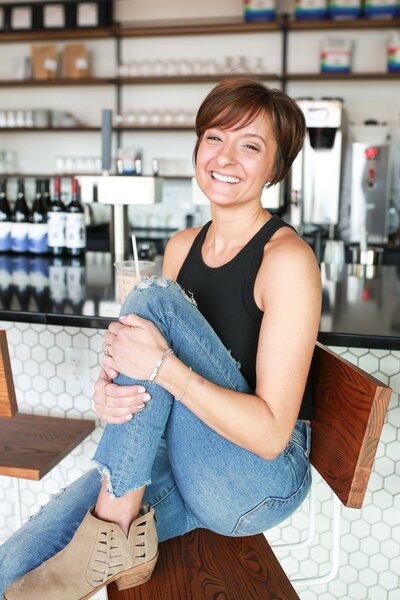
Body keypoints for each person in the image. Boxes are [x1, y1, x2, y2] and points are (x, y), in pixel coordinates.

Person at [0, 76, 321, 600]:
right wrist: (112, 394)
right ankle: (116, 534)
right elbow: (156, 393)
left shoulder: (286, 261)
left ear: (275, 168)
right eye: (215, 137)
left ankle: (114, 522)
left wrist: (160, 368)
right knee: (15, 569)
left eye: (250, 146)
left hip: (257, 481)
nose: (225, 157)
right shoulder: (182, 247)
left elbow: (268, 437)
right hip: (180, 460)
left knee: (151, 299)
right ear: (197, 146)